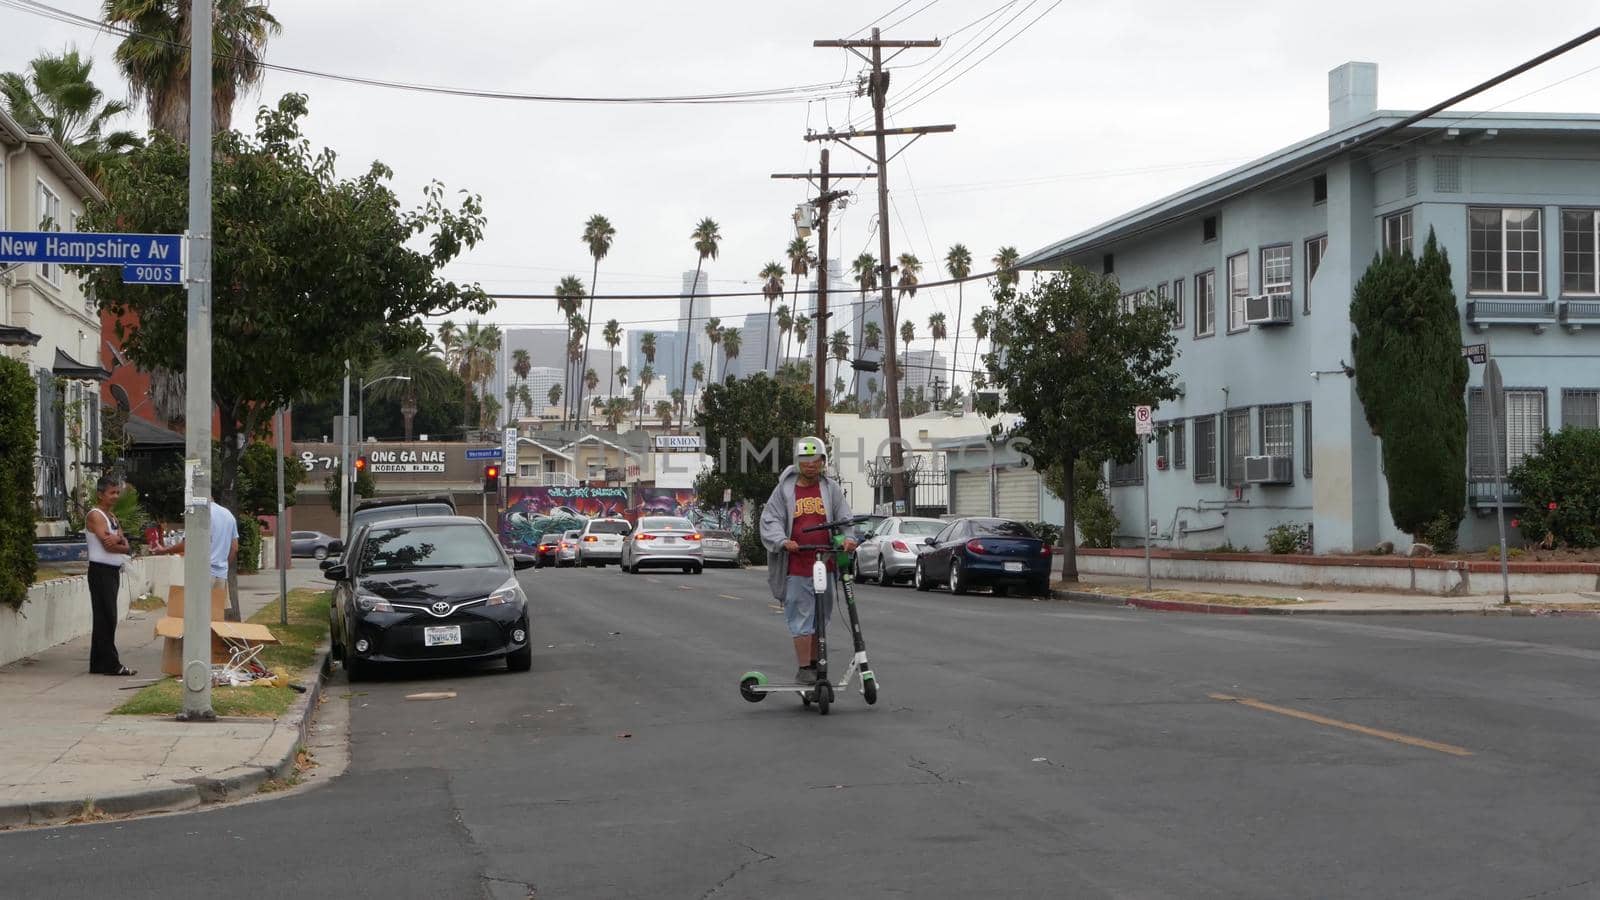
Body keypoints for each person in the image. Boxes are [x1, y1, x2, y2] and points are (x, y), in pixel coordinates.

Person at [760, 436, 855, 685]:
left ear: (823, 462)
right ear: (797, 461)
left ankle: (816, 665)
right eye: (805, 459)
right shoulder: (785, 489)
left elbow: (845, 519)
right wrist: (783, 541)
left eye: (815, 459)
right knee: (801, 617)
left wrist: (847, 539)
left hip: (826, 563)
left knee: (820, 619)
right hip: (798, 565)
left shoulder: (830, 488)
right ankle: (805, 668)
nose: (810, 464)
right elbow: (770, 519)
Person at [83, 476, 135, 676]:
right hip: (100, 571)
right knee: (107, 616)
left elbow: (125, 545)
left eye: (117, 492)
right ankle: (111, 664)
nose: (115, 496)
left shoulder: (112, 517)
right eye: (111, 492)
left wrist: (120, 541)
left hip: (112, 572)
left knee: (105, 617)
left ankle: (97, 663)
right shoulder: (95, 515)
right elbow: (108, 545)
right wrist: (119, 542)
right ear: (100, 494)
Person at [154, 501, 240, 615]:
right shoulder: (228, 515)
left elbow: (187, 543)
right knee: (215, 617)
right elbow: (234, 547)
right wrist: (223, 564)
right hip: (221, 575)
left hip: (201, 573)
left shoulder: (199, 513)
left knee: (195, 616)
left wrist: (164, 550)